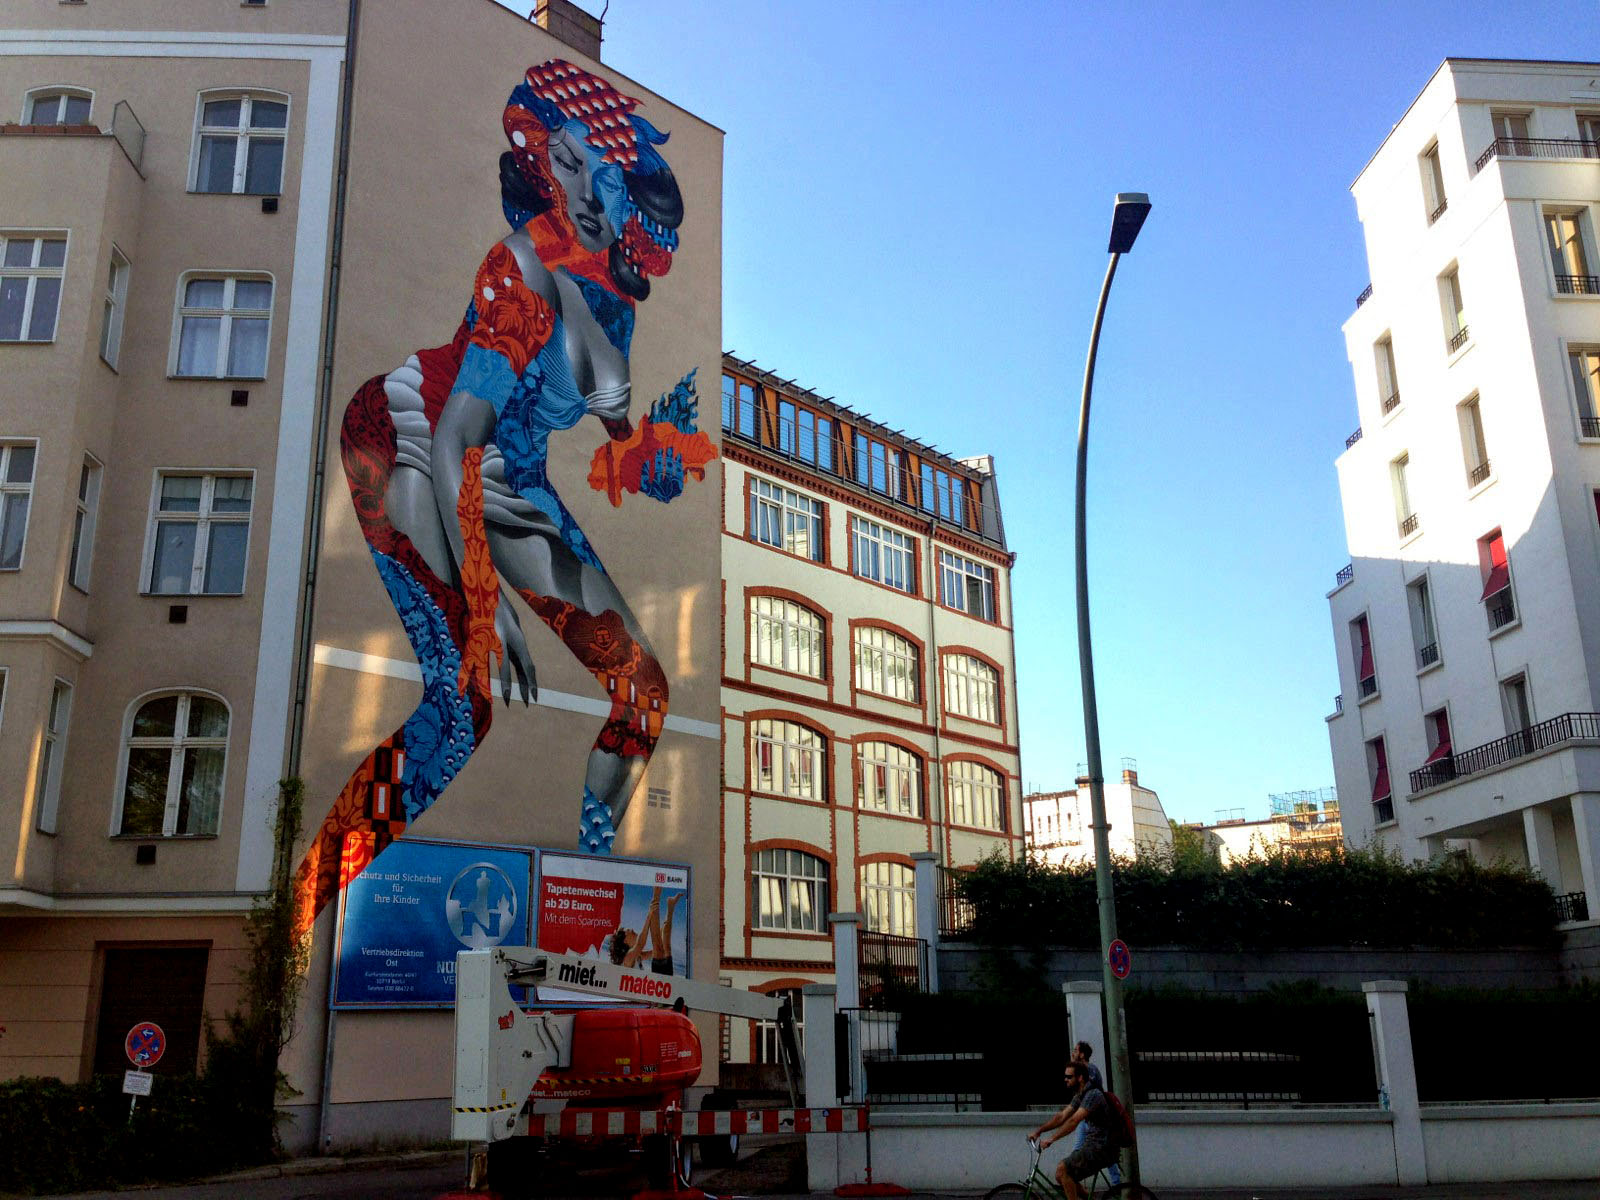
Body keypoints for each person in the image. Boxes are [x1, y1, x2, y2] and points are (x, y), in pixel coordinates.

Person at [292, 60, 715, 939]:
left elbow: (612, 435)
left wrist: (655, 457)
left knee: (642, 691)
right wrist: (485, 603)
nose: (587, 189)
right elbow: (458, 438)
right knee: (462, 710)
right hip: (414, 437)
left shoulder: (614, 293)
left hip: (513, 479)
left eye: (603, 169)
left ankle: (591, 885)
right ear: (541, 162)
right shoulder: (520, 268)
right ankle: (298, 913)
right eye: (566, 162)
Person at [1030, 1060, 1120, 1200]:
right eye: (1065, 1076)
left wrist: (1052, 1139)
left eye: (1069, 1077)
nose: (1065, 1079)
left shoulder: (1093, 1095)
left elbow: (1073, 1121)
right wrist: (1039, 1131)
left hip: (1102, 1147)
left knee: (1063, 1170)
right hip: (1093, 1145)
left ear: (1080, 1078)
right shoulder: (1081, 1095)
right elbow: (1061, 1117)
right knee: (1060, 1175)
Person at [1069, 1041, 1119, 1186]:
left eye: (1075, 1051)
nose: (1073, 1053)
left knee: (1103, 1152)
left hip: (1096, 1120)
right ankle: (1072, 1180)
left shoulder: (1090, 1070)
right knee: (1077, 1150)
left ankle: (1116, 1184)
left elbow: (1086, 1090)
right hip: (1085, 1120)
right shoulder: (1081, 1071)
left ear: (1082, 1054)